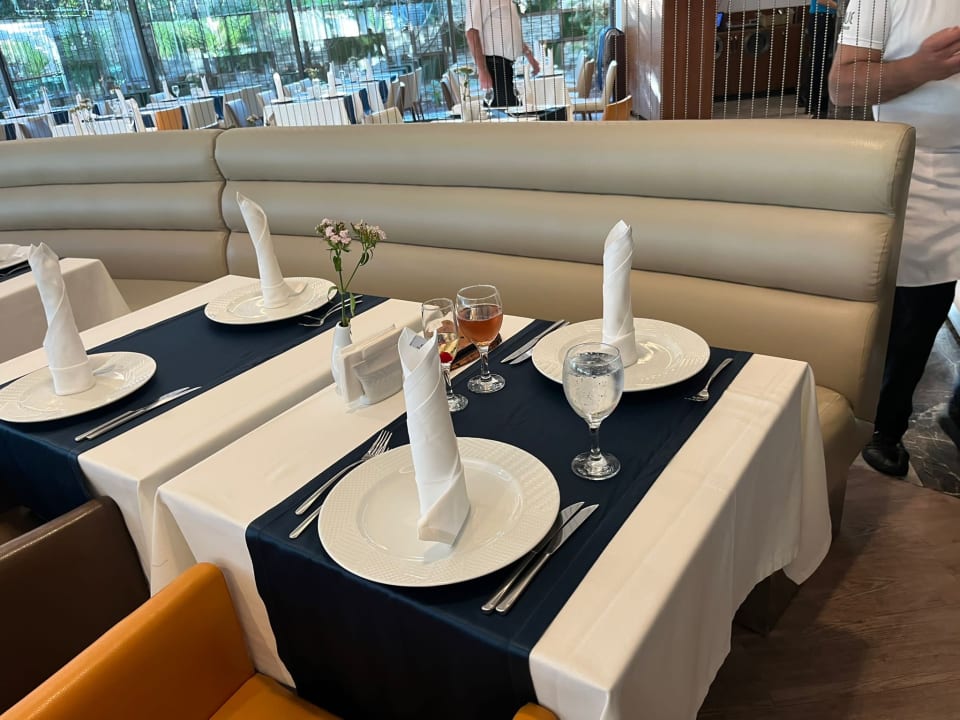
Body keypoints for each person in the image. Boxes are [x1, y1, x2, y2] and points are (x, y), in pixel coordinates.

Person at [829, 2, 960, 476]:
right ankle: (886, 428)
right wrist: (922, 66)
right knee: (914, 314)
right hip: (923, 170)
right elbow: (842, 86)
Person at [465, 0, 540, 107]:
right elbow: (471, 32)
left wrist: (529, 56)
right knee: (507, 112)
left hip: (506, 67)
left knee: (513, 110)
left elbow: (509, 32)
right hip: (495, 68)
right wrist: (482, 70)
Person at [806, 0, 838, 118]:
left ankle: (817, 104)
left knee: (822, 63)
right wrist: (841, 8)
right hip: (821, 18)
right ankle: (816, 105)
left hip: (827, 17)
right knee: (818, 63)